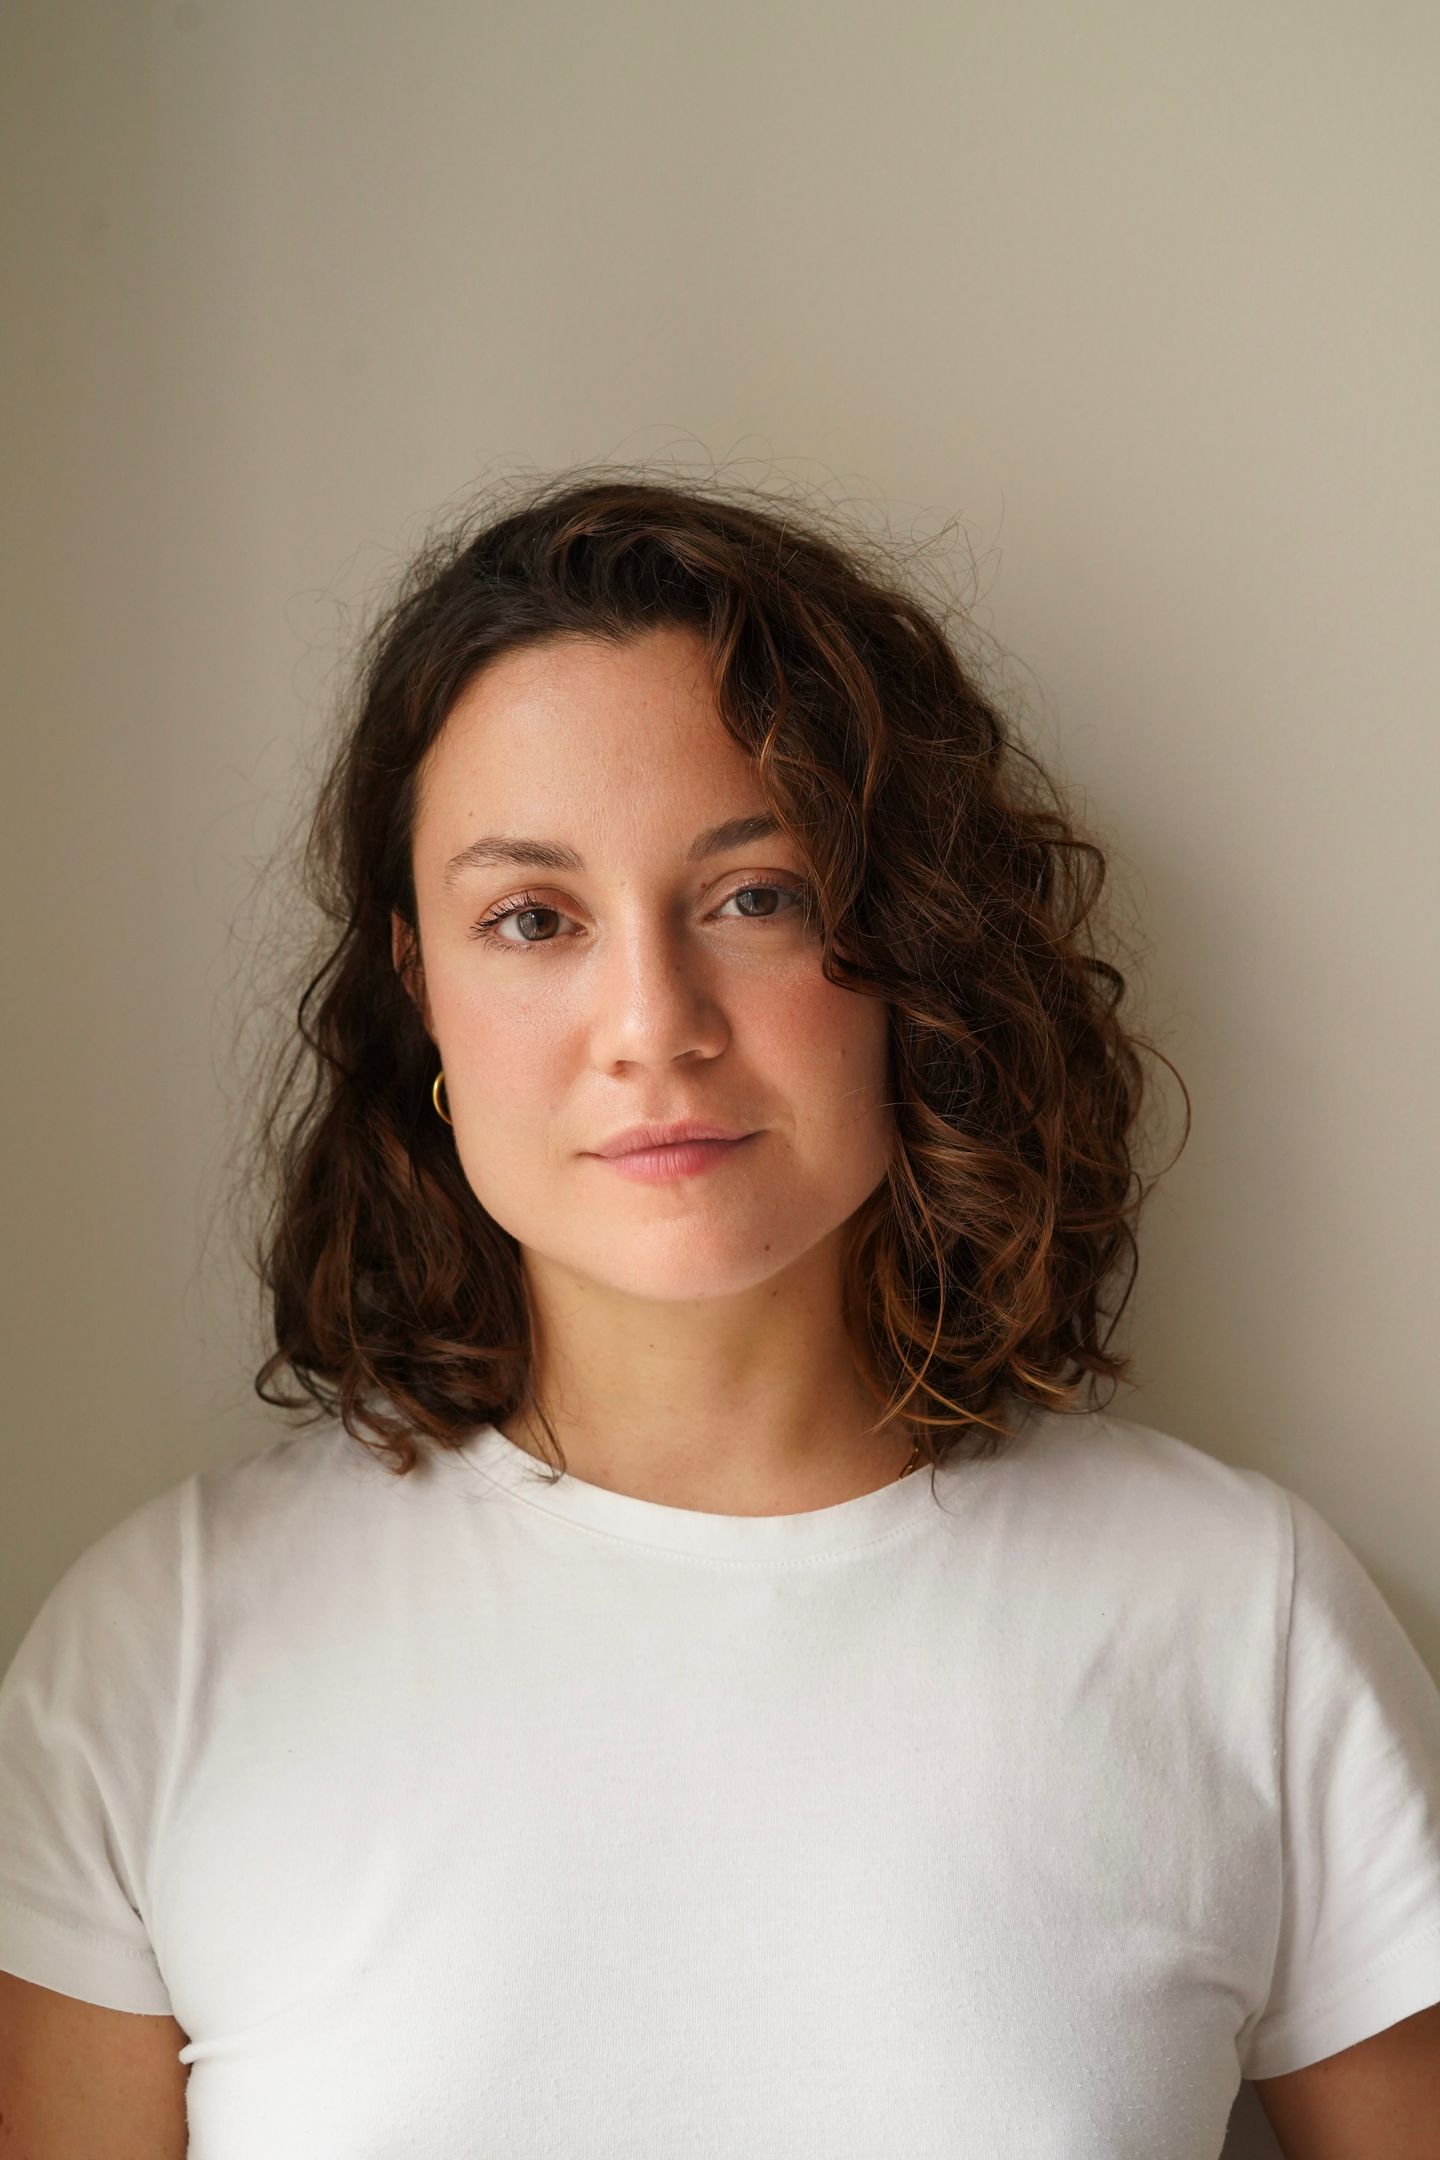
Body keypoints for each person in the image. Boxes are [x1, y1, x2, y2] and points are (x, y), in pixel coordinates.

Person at [1, 469, 1438, 2157]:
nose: (652, 1023)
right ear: (420, 991)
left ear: (906, 947)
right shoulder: (161, 1651)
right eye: (532, 920)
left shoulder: (1237, 1619)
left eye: (757, 896)